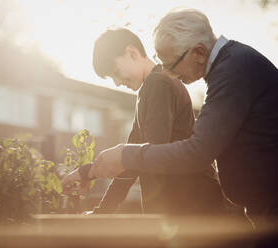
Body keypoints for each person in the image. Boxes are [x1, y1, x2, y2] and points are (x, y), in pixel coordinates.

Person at [89, 9, 278, 230]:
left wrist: (125, 155)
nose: (168, 72)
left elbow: (197, 151)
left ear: (198, 52)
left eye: (171, 63)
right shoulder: (230, 66)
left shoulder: (234, 71)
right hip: (262, 208)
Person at [62, 28, 226, 221]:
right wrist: (104, 210)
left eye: (115, 72)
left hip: (193, 207)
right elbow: (134, 158)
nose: (116, 83)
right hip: (183, 209)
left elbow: (147, 155)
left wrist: (89, 172)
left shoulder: (159, 84)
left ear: (132, 53)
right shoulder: (148, 90)